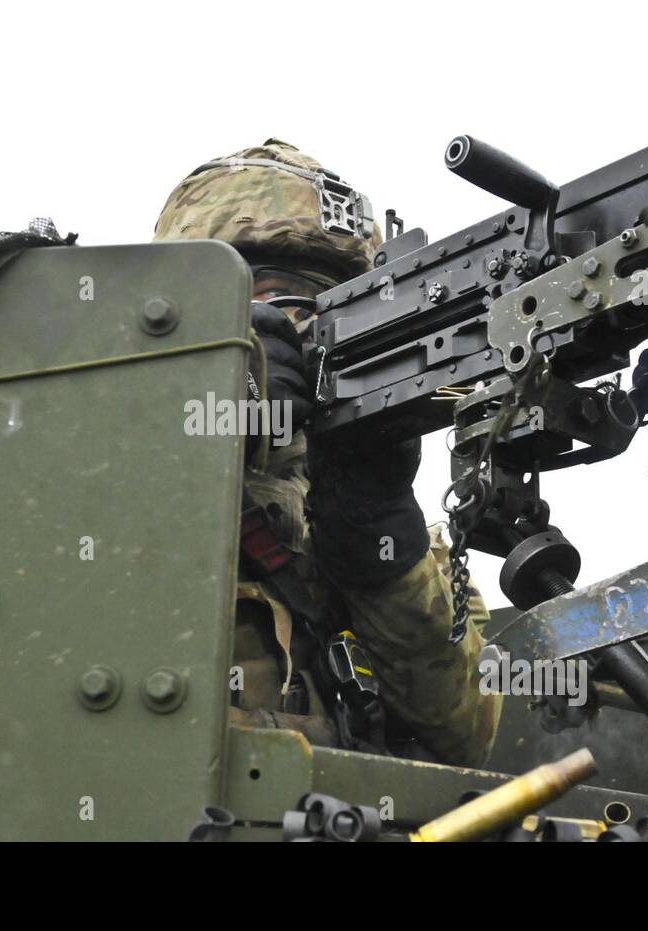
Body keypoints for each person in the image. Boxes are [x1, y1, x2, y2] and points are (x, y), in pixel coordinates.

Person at [153, 139, 501, 765]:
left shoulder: (419, 549)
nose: (284, 331)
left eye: (306, 307)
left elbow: (464, 735)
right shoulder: (90, 465)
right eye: (248, 300)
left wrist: (375, 536)